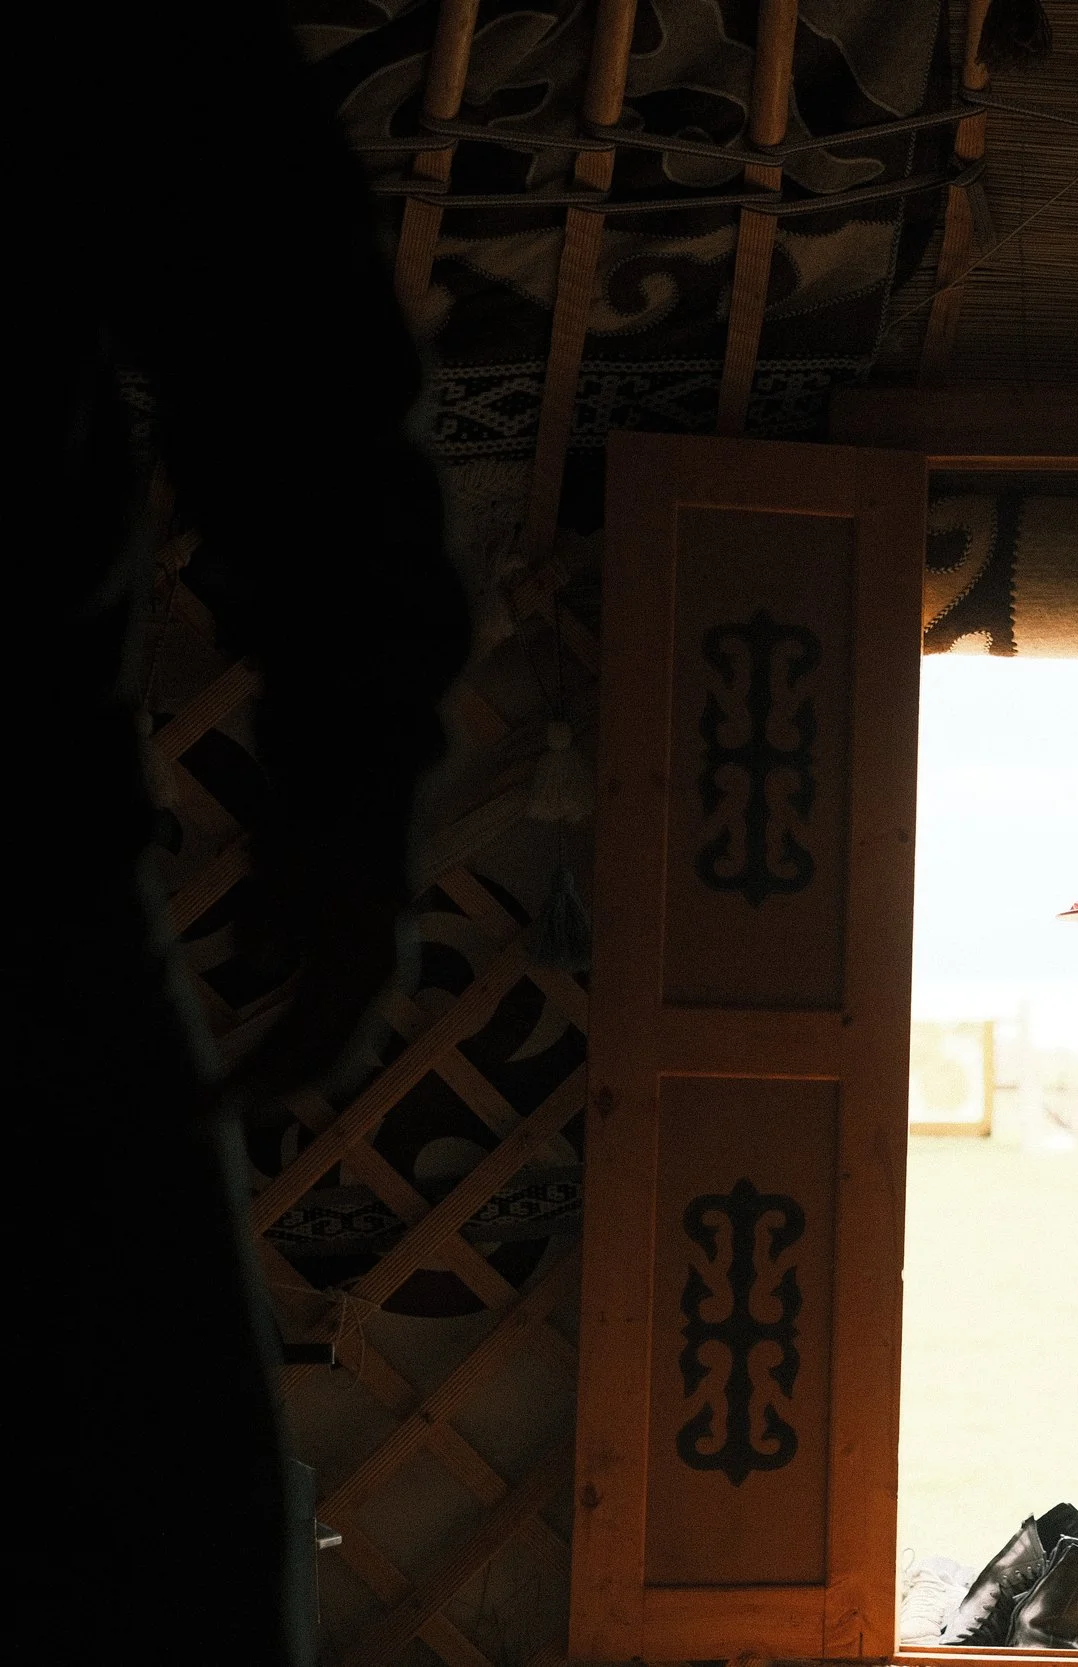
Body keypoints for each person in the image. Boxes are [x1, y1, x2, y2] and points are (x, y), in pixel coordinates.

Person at [31, 2, 468, 1654]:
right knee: (144, 1536)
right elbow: (295, 374)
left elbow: (288, 368)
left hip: (34, 863)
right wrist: (357, 797)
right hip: (30, 882)